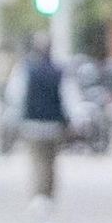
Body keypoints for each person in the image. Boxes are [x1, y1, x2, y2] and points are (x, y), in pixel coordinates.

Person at [19, 32, 67, 198]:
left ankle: (39, 195)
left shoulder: (27, 70)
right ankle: (47, 194)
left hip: (32, 123)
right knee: (50, 163)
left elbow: (17, 95)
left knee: (37, 161)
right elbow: (68, 97)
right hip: (54, 124)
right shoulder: (59, 72)